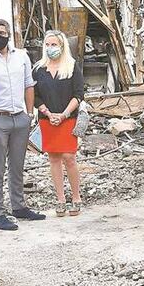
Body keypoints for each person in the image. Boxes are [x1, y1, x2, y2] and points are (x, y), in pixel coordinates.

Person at [0, 19, 46, 230]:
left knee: (17, 165)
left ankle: (19, 206)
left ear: (9, 35)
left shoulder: (21, 56)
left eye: (1, 32)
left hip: (19, 117)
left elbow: (29, 85)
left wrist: (29, 114)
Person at [33, 30, 85, 216]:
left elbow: (78, 94)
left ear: (62, 46)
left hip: (67, 118)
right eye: (47, 45)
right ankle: (61, 199)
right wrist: (46, 112)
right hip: (47, 119)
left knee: (69, 157)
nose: (50, 48)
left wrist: (63, 114)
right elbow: (34, 96)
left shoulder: (71, 67)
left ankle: (76, 197)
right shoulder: (38, 69)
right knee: (54, 158)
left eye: (54, 45)